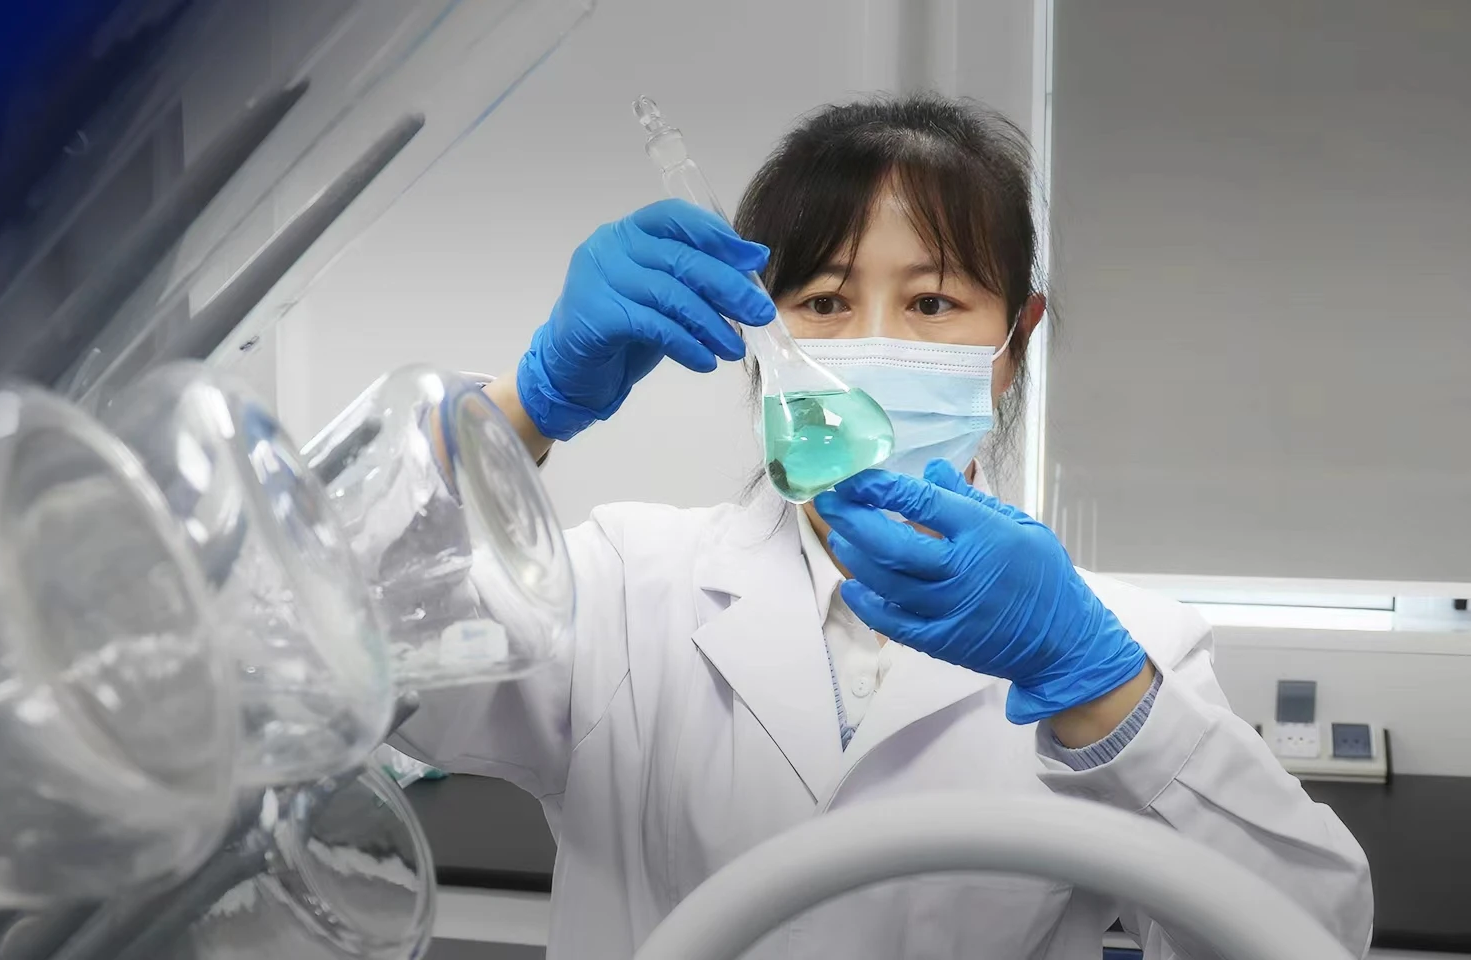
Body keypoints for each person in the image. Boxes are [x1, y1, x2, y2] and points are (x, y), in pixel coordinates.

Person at [391, 95, 1372, 960]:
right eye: (823, 301)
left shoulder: (1129, 647)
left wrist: (1098, 686)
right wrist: (520, 411)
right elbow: (339, 658)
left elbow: (1308, 937)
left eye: (933, 301)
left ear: (1015, 342)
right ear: (757, 338)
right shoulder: (623, 586)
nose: (874, 345)